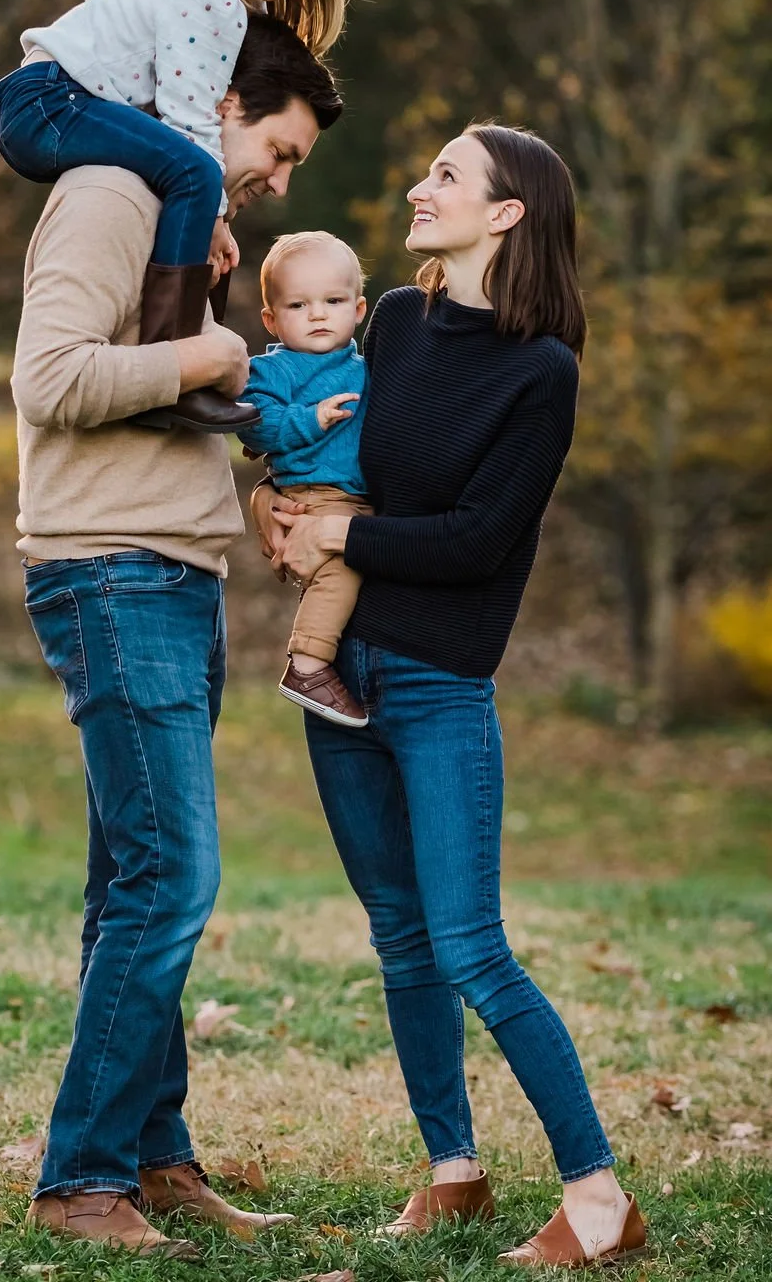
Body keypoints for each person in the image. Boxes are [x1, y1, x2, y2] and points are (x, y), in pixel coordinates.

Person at [253, 125, 648, 1269]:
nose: (418, 188)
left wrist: (346, 532)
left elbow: (478, 541)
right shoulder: (389, 322)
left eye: (443, 176)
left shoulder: (541, 372)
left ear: (507, 213)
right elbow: (323, 450)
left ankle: (597, 1200)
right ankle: (454, 1174)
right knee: (399, 938)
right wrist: (290, 513)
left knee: (472, 947)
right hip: (341, 675)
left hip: (436, 685)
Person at [12, 12, 342, 1260]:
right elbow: (49, 381)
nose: (277, 175)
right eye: (279, 145)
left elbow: (157, 387)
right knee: (173, 883)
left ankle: (151, 1157)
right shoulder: (104, 190)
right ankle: (79, 1180)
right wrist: (214, 346)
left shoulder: (173, 213)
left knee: (131, 885)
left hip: (173, 571)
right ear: (218, 101)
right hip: (109, 570)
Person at [0, 0, 349, 432]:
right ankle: (177, 363)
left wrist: (211, 221)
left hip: (49, 101)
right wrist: (210, 211)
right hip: (50, 101)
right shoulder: (210, 0)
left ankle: (183, 362)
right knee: (192, 170)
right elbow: (190, 119)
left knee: (188, 177)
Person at [238, 231, 372, 727]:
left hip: (356, 497)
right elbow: (255, 425)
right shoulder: (274, 370)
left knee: (356, 563)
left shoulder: (367, 368)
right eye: (298, 304)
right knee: (342, 569)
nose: (318, 315)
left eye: (333, 301)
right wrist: (309, 419)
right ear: (271, 318)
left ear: (358, 309)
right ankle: (308, 665)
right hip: (312, 496)